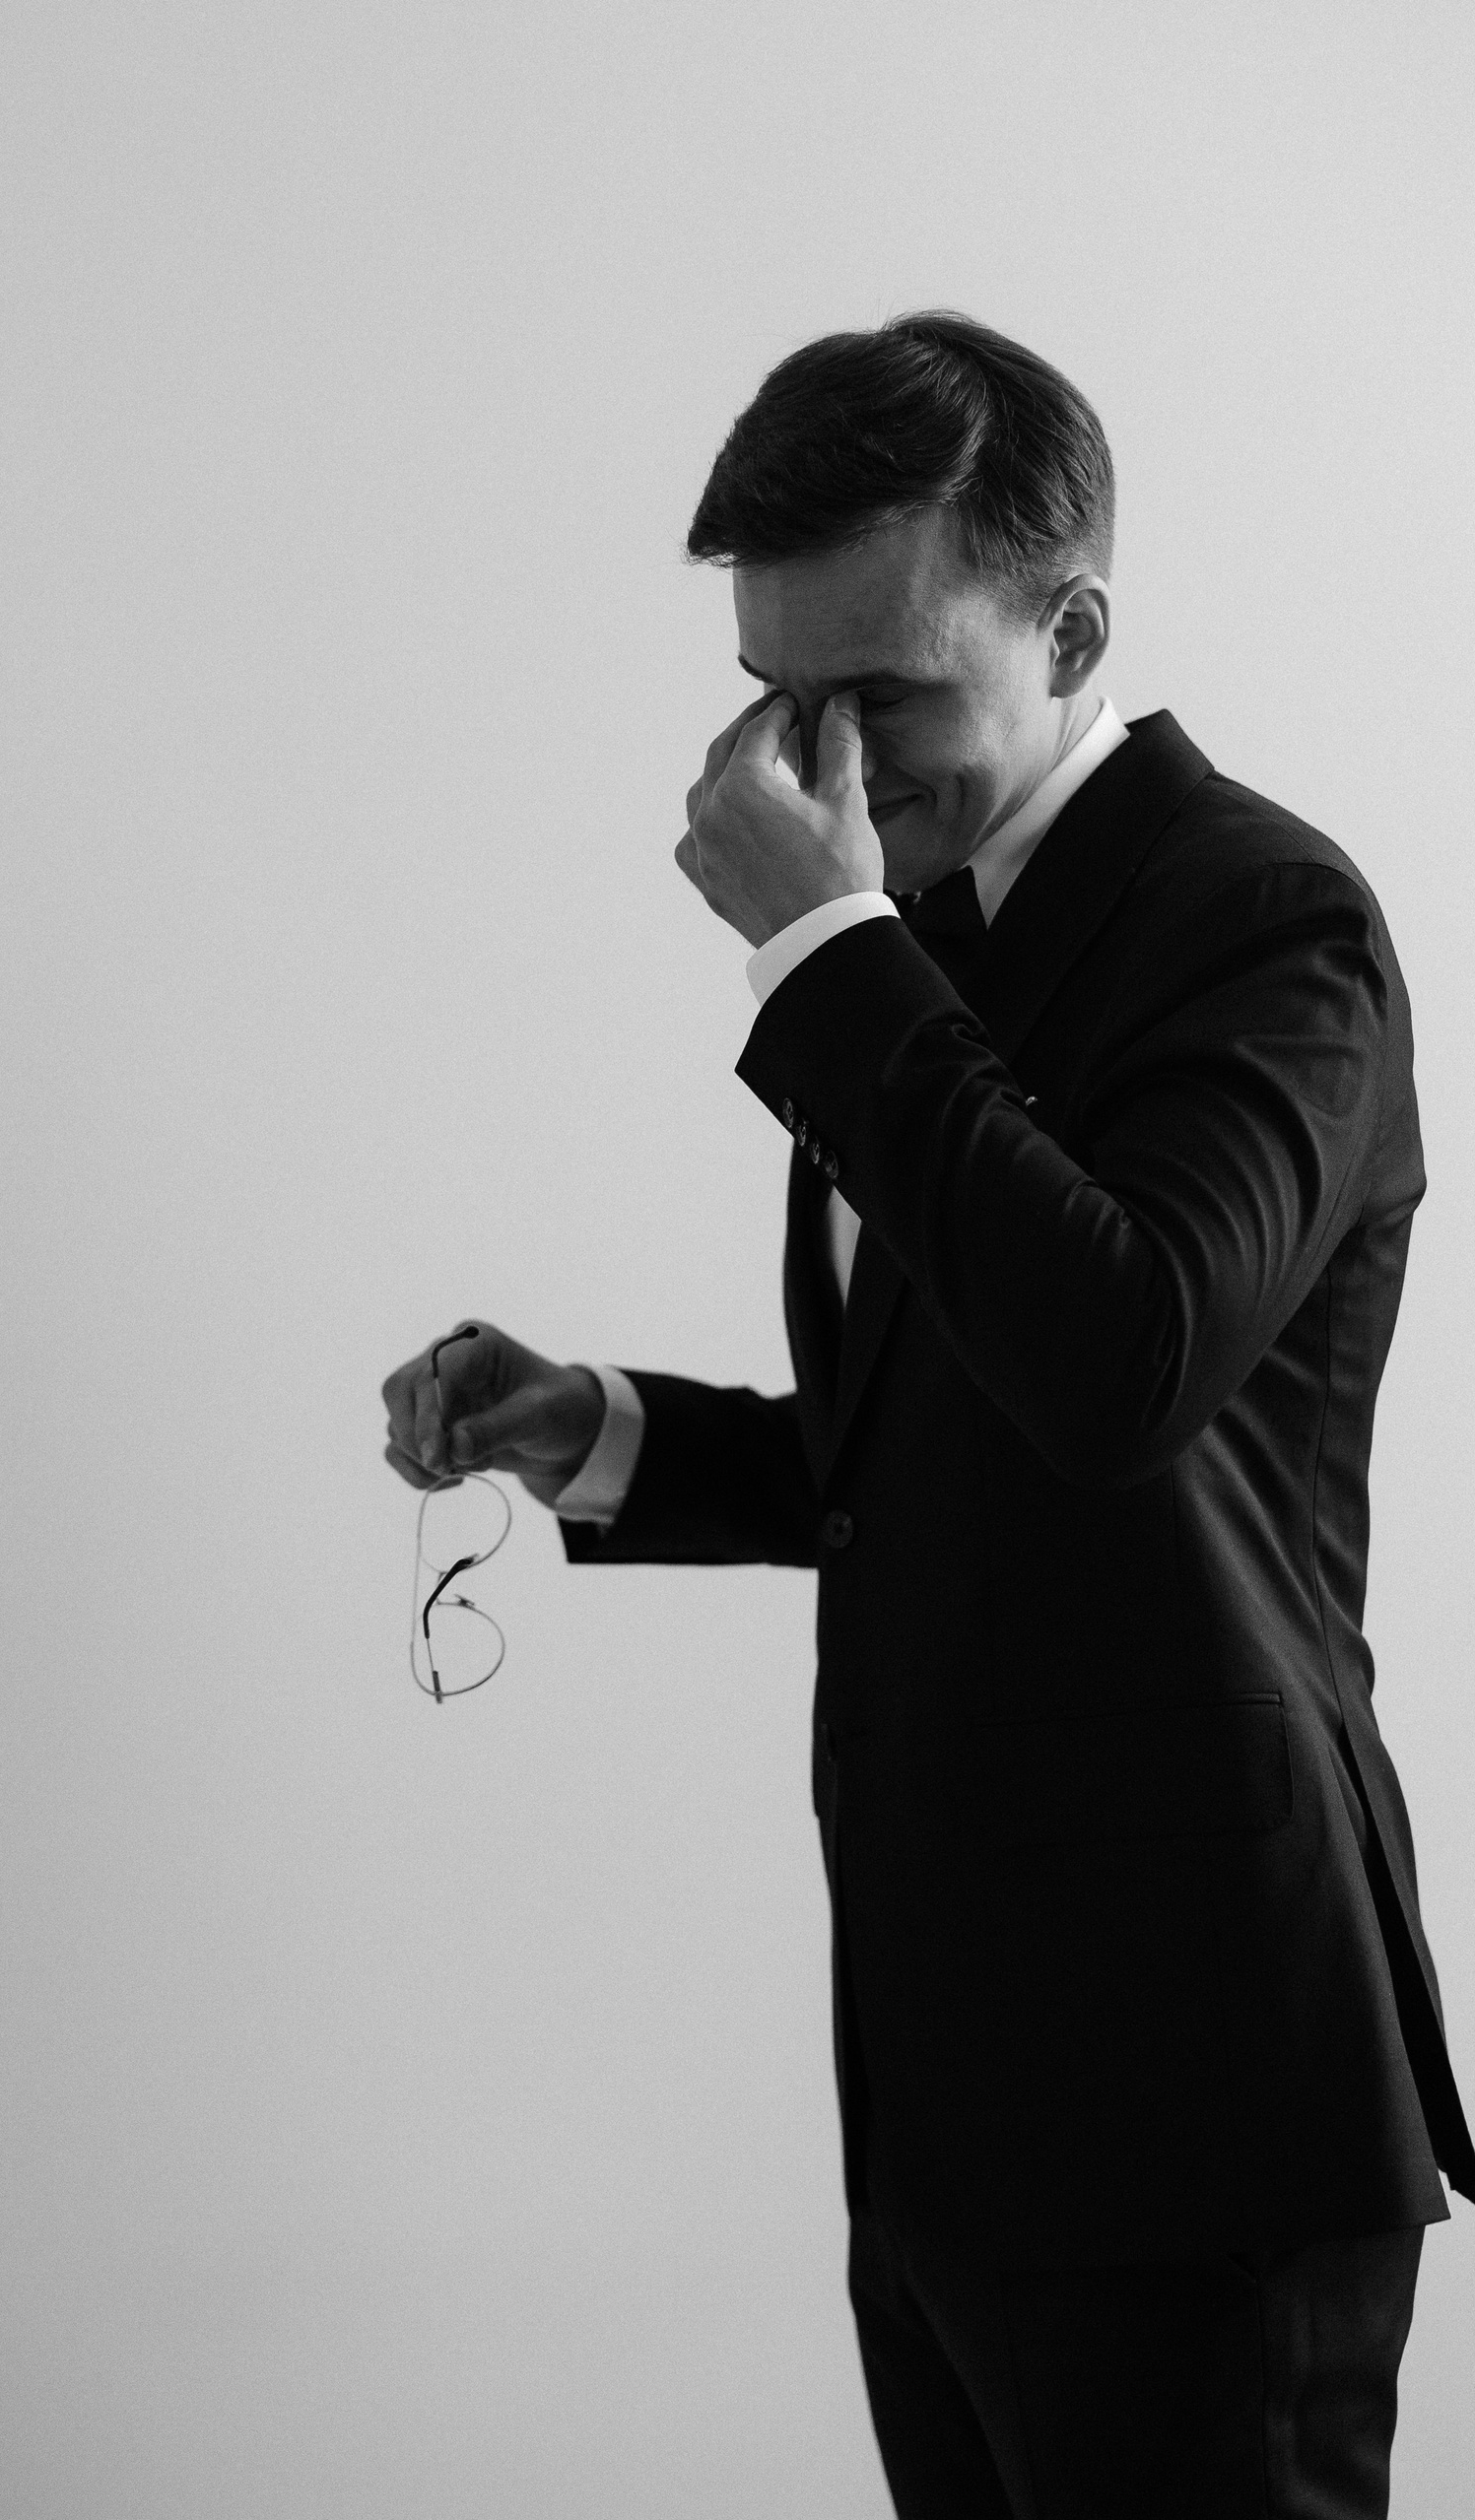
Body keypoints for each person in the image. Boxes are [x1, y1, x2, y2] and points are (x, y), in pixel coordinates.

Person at [379, 311, 1474, 2517]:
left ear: (1072, 632)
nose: (825, 766)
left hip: (1198, 2098)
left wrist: (824, 960)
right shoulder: (926, 931)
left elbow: (1120, 1363)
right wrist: (598, 1427)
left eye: (880, 695)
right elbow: (941, 1445)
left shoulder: (1267, 918)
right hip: (951, 2100)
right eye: (778, 697)